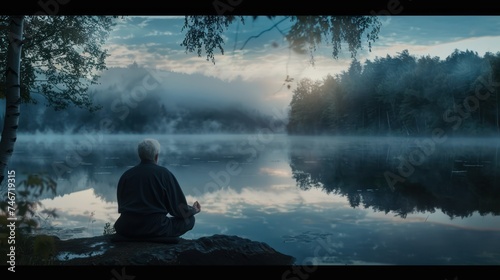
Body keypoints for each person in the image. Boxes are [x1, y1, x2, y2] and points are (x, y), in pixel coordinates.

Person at [113, 138, 201, 239]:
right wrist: (193, 210)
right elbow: (179, 210)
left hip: (126, 228)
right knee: (190, 220)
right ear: (156, 156)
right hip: (155, 228)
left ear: (139, 155)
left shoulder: (126, 176)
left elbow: (121, 206)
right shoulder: (164, 174)